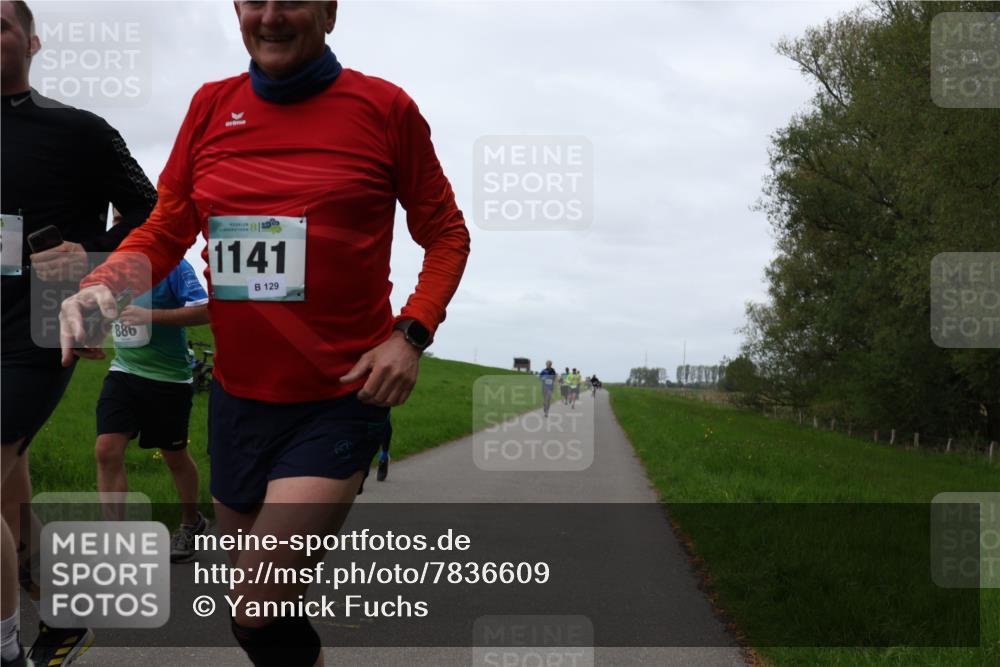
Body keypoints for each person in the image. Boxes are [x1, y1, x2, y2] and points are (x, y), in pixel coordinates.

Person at [59, 3, 470, 666]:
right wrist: (105, 284)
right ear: (237, 11)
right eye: (255, 0)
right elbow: (168, 228)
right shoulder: (210, 106)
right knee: (255, 609)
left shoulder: (385, 108)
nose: (272, 16)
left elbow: (447, 234)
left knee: (256, 607)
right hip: (238, 398)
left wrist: (411, 333)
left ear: (330, 12)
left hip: (339, 396)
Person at [1, 2, 157, 665]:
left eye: (1, 24)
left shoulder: (78, 130)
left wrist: (91, 254)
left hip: (37, 328)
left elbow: (155, 210)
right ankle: (58, 617)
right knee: (8, 492)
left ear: (32, 42)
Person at [95, 238, 210, 563]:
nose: (119, 226)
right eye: (115, 217)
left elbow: (205, 312)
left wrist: (151, 316)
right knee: (106, 449)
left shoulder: (174, 266)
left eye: (124, 215)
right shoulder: (112, 266)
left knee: (174, 457)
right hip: (124, 372)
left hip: (169, 379)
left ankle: (191, 522)